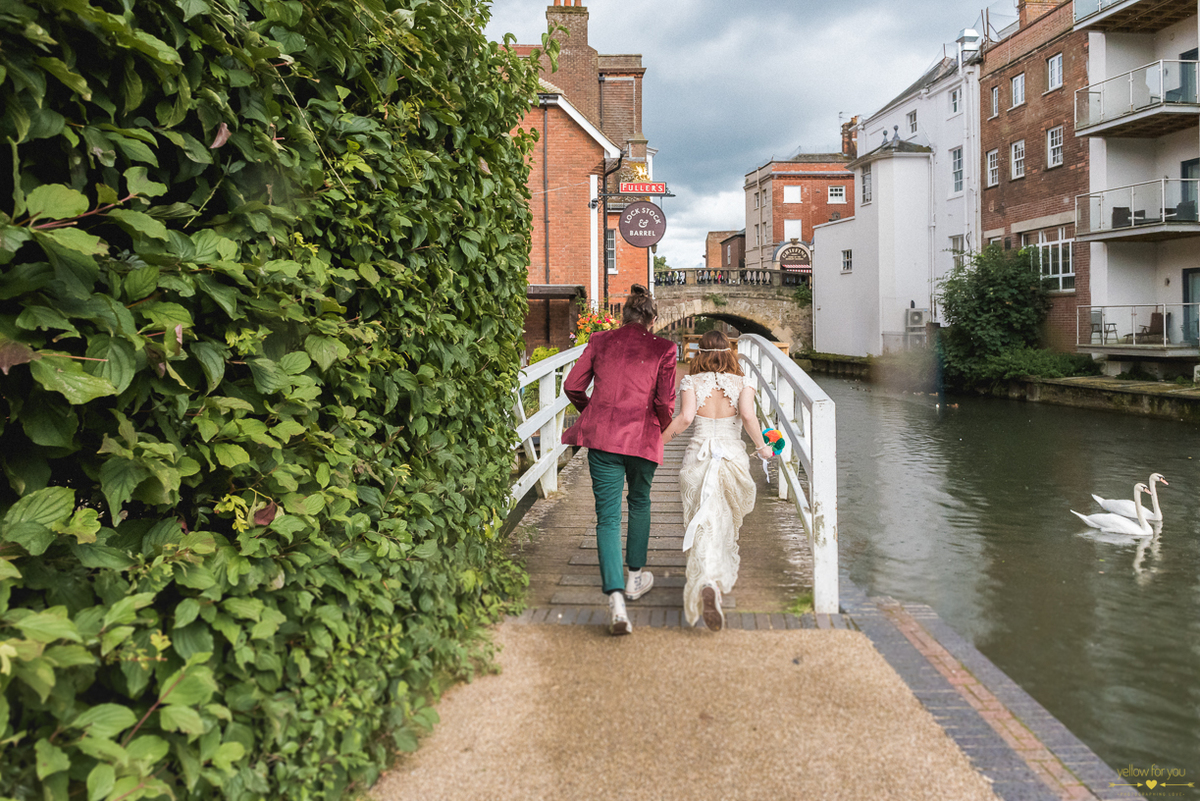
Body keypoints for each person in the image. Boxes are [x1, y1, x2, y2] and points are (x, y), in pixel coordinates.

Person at [563, 285, 677, 635]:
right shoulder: (665, 348)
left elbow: (572, 386)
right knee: (640, 501)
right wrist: (661, 428)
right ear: (653, 320)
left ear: (623, 317)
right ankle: (635, 578)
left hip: (604, 439)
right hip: (643, 439)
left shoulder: (599, 341)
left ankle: (616, 601)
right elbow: (664, 402)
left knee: (607, 518)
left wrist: (594, 412)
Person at [661, 330, 773, 631]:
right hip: (731, 460)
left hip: (697, 459)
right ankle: (712, 586)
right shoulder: (743, 383)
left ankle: (706, 581)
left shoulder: (691, 382)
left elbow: (684, 420)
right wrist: (762, 447)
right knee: (722, 523)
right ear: (730, 352)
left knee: (700, 521)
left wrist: (658, 443)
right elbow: (748, 416)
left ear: (700, 353)